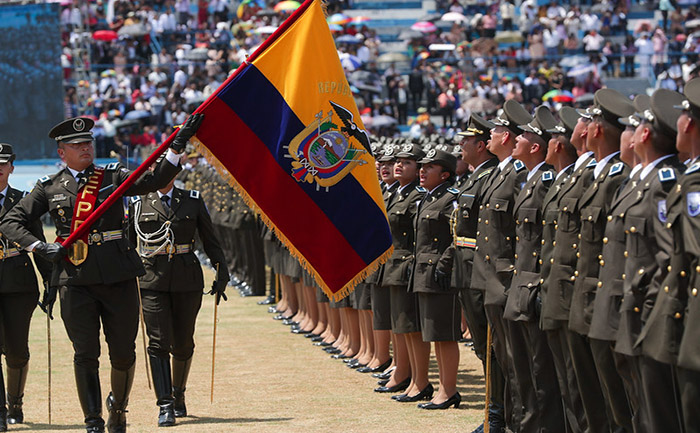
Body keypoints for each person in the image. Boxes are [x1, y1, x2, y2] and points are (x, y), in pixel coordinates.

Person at [0, 113, 203, 433]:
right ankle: (93, 421)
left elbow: (152, 179)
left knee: (123, 353)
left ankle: (118, 409)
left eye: (88, 143)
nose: (85, 148)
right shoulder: (48, 187)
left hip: (118, 276)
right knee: (85, 354)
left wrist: (177, 146)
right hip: (75, 281)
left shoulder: (112, 177)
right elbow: (11, 222)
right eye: (76, 145)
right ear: (61, 152)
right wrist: (39, 247)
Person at [130, 166, 229, 427]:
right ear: (152, 172)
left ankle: (178, 392)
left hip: (187, 278)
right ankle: (165, 405)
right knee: (158, 342)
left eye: (171, 170)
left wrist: (222, 272)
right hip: (151, 278)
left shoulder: (192, 200)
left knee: (183, 343)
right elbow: (128, 244)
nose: (166, 175)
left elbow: (210, 240)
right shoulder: (138, 203)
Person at [0, 144, 52, 430]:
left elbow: (38, 242)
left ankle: (15, 401)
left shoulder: (23, 202)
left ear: (11, 168)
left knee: (17, 350)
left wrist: (50, 282)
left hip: (19, 280)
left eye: (2, 163)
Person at [410, 148, 461, 410]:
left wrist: (445, 264)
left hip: (440, 275)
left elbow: (459, 236)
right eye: (422, 166)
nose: (422, 170)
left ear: (445, 174)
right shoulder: (428, 198)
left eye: (429, 167)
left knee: (444, 335)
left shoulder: (450, 199)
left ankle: (448, 390)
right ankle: (443, 388)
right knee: (434, 334)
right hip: (424, 274)